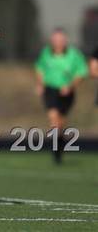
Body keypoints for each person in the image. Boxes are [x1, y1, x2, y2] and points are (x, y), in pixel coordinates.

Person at [35, 28, 88, 164]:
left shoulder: (74, 55)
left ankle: (59, 147)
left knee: (60, 124)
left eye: (61, 40)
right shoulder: (46, 53)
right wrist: (40, 84)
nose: (58, 42)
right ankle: (55, 153)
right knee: (53, 119)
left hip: (66, 93)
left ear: (65, 41)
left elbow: (82, 72)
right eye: (55, 40)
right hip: (51, 89)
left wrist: (70, 86)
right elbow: (40, 68)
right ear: (52, 41)